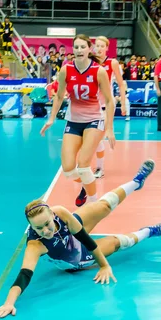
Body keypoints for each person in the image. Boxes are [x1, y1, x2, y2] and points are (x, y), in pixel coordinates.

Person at [0, 159, 161, 319]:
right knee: (117, 241)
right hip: (75, 257)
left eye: (47, 223)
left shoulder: (60, 213)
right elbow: (24, 276)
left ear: (51, 214)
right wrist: (8, 303)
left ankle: (136, 182)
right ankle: (149, 231)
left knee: (102, 206)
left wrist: (105, 265)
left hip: (74, 237)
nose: (46, 230)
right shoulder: (35, 245)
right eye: (39, 228)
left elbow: (84, 237)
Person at [41, 35, 116, 207]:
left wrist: (110, 128)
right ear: (72, 50)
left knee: (83, 165)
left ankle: (94, 204)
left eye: (83, 47)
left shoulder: (99, 71)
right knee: (68, 170)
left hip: (94, 120)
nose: (79, 50)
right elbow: (59, 96)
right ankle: (85, 185)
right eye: (76, 47)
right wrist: (51, 118)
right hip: (73, 121)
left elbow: (110, 100)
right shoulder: (66, 70)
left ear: (89, 49)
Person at [91, 36, 128, 180]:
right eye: (97, 46)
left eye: (102, 46)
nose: (99, 48)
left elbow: (120, 83)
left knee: (99, 136)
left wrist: (123, 102)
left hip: (107, 105)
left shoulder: (112, 63)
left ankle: (100, 167)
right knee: (94, 139)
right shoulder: (91, 62)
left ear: (107, 48)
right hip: (92, 105)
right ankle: (94, 165)